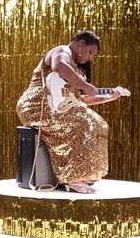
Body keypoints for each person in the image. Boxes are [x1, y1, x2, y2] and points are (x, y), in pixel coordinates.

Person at [16, 31, 121, 194]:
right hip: (38, 106)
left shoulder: (78, 71)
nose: (90, 58)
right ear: (81, 44)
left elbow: (80, 99)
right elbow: (59, 66)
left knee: (100, 124)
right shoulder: (61, 51)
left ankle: (86, 174)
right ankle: (73, 177)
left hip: (61, 108)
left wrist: (107, 98)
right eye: (91, 52)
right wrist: (85, 85)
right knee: (82, 123)